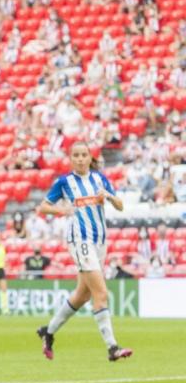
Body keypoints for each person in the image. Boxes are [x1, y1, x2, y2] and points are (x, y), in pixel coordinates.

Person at [36, 142, 132, 362]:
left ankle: (48, 332)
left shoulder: (100, 179)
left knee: (83, 294)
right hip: (80, 240)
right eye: (75, 155)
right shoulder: (64, 182)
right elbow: (42, 206)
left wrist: (107, 196)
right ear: (71, 159)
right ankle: (112, 347)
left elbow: (120, 206)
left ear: (90, 158)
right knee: (101, 293)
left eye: (83, 155)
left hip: (100, 240)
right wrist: (62, 210)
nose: (80, 159)